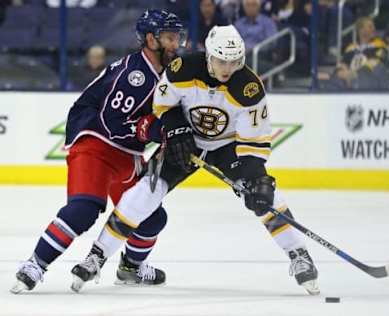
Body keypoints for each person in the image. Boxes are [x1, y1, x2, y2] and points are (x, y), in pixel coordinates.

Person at [72, 25, 321, 295]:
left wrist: (255, 176)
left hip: (227, 147)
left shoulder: (249, 88)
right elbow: (162, 106)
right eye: (222, 61)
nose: (228, 68)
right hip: (186, 140)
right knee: (144, 192)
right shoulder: (182, 69)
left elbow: (254, 141)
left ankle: (299, 255)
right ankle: (96, 255)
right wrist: (176, 129)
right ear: (209, 56)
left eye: (235, 61)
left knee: (265, 195)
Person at [10, 9, 186, 294]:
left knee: (152, 217)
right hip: (96, 143)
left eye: (177, 37)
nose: (175, 44)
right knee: (83, 210)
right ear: (151, 39)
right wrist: (150, 130)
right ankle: (35, 264)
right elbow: (111, 121)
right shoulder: (137, 75)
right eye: (169, 37)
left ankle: (130, 268)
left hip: (127, 152)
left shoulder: (163, 72)